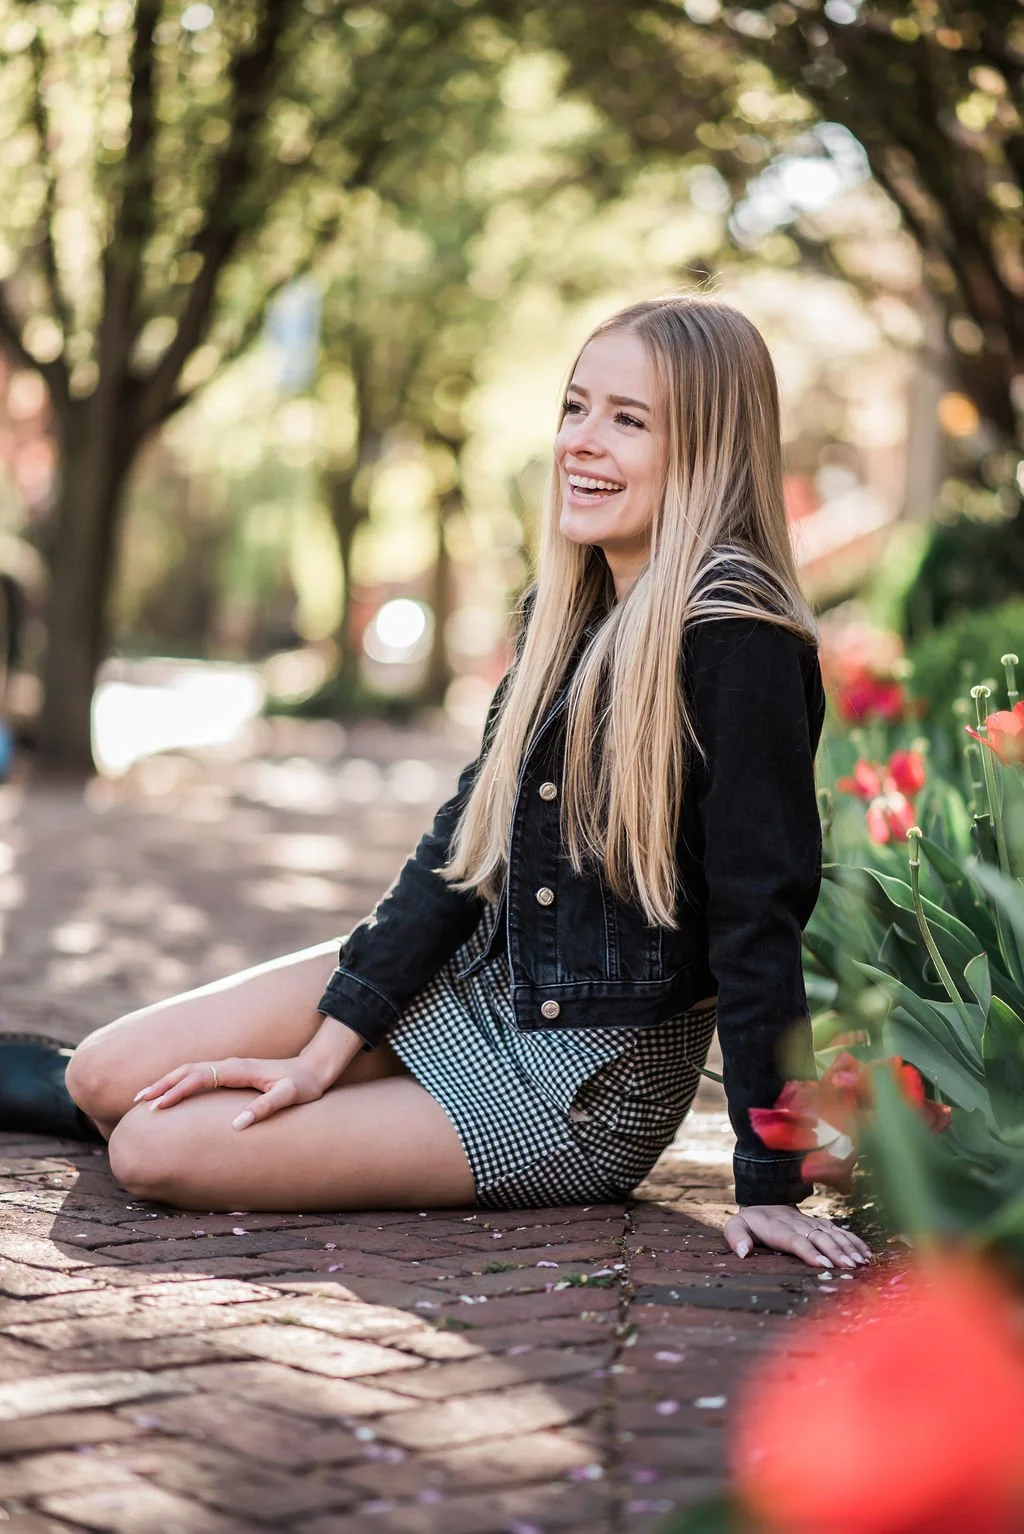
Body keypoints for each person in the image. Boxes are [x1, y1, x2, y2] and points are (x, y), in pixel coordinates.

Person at [0, 295, 870, 1272]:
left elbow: (760, 916)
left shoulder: (737, 642)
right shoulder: (570, 609)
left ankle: (331, 1118)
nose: (581, 443)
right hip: (474, 980)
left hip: (573, 1077)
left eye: (627, 420)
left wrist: (770, 1182)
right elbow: (463, 847)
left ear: (708, 448)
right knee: (108, 1073)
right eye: (575, 408)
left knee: (152, 1147)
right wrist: (329, 1046)